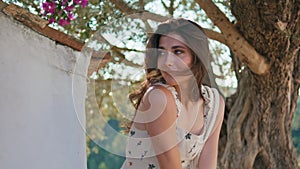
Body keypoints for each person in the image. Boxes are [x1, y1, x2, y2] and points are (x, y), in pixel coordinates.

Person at [121, 18, 224, 169]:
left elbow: (207, 165)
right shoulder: (159, 98)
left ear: (196, 56)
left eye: (178, 52)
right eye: (162, 53)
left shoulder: (214, 103)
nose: (167, 62)